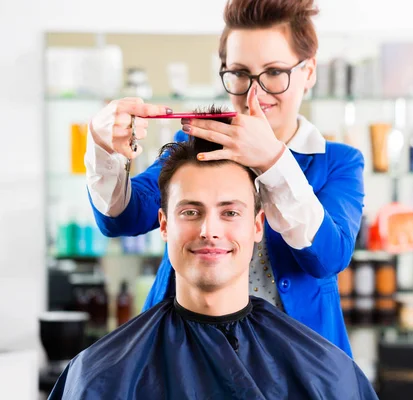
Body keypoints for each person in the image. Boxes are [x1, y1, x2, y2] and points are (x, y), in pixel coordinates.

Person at [85, 0, 364, 357]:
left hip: (297, 360)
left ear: (308, 72)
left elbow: (327, 257)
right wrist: (103, 147)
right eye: (240, 74)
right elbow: (122, 218)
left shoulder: (339, 162)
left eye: (275, 72)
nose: (255, 93)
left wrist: (272, 161)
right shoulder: (199, 145)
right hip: (184, 352)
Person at [50, 134, 377, 400]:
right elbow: (122, 211)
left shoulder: (326, 376)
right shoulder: (99, 376)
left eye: (230, 212)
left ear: (257, 225)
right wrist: (103, 148)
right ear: (163, 225)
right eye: (191, 212)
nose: (209, 230)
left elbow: (329, 254)